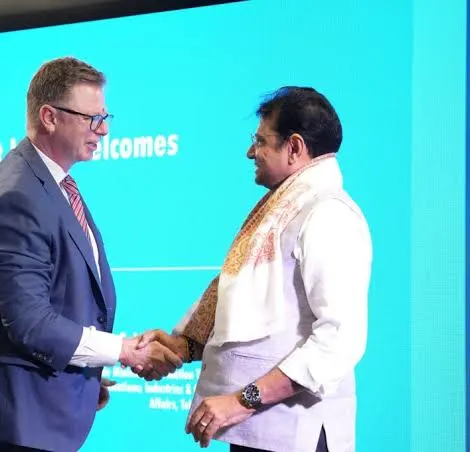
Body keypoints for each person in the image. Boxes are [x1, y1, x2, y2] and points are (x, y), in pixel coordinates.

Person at [0, 56, 182, 452]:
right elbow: (30, 323)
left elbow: (61, 299)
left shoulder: (50, 183)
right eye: (92, 118)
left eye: (105, 117)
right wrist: (122, 350)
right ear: (49, 117)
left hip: (37, 415)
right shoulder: (17, 196)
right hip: (16, 425)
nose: (104, 129)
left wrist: (85, 375)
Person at [137, 86, 372, 451]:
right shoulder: (282, 210)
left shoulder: (329, 214)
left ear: (294, 147)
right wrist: (184, 346)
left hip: (296, 435)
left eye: (261, 141)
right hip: (257, 428)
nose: (251, 152)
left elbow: (338, 340)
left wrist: (242, 400)